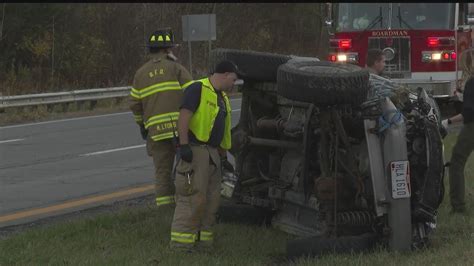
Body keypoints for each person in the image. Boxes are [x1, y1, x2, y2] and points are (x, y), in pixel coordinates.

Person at [170, 60, 241, 252]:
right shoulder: (197, 89)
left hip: (213, 154)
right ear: (225, 74)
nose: (234, 84)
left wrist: (224, 158)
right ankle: (181, 246)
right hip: (195, 150)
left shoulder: (223, 98)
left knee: (212, 200)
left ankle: (204, 244)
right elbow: (184, 116)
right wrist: (183, 145)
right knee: (192, 197)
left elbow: (223, 132)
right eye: (233, 79)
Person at [129, 28, 193, 208]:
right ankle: (186, 205)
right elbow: (194, 94)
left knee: (162, 173)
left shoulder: (140, 74)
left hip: (156, 133)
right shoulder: (176, 68)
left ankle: (165, 209)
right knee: (186, 168)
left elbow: (135, 105)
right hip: (181, 130)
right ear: (167, 50)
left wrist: (142, 125)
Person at [442, 76, 474, 214]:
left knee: (457, 162)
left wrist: (448, 121)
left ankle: (458, 207)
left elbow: (469, 112)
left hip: (472, 127)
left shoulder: (472, 82)